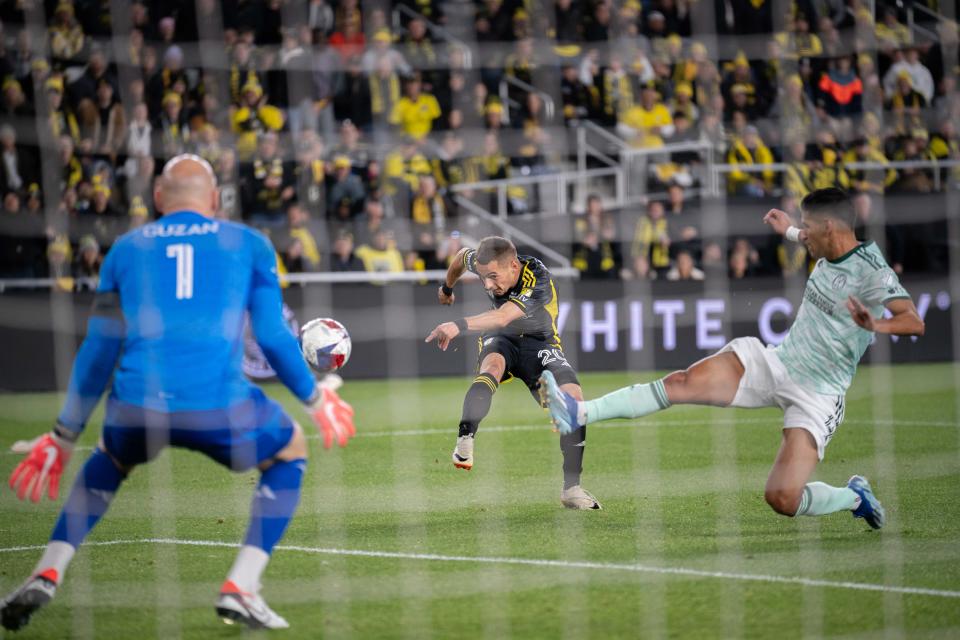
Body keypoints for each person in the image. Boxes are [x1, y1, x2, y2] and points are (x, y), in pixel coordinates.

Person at [1, 155, 356, 632]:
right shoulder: (249, 243)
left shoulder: (125, 250)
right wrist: (315, 400)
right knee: (290, 448)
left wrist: (63, 437)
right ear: (215, 200)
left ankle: (49, 569)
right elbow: (272, 334)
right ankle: (241, 586)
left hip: (135, 404)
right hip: (218, 404)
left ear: (157, 199)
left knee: (109, 456)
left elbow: (99, 350)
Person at [540, 188, 925, 527]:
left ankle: (854, 497)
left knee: (782, 499)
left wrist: (875, 324)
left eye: (808, 227)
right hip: (776, 362)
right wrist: (787, 229)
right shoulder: (827, 241)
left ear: (830, 228)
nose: (803, 235)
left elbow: (914, 321)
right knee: (680, 383)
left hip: (819, 393)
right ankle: (579, 413)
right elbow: (803, 235)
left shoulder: (873, 271)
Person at [425, 236, 601, 510]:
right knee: (492, 365)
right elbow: (461, 256)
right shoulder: (484, 262)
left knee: (574, 400)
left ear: (513, 266)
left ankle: (571, 489)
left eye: (494, 277)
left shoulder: (537, 278)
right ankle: (465, 439)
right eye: (483, 277)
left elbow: (504, 315)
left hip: (539, 342)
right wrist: (447, 287)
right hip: (502, 337)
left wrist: (458, 325)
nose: (488, 285)